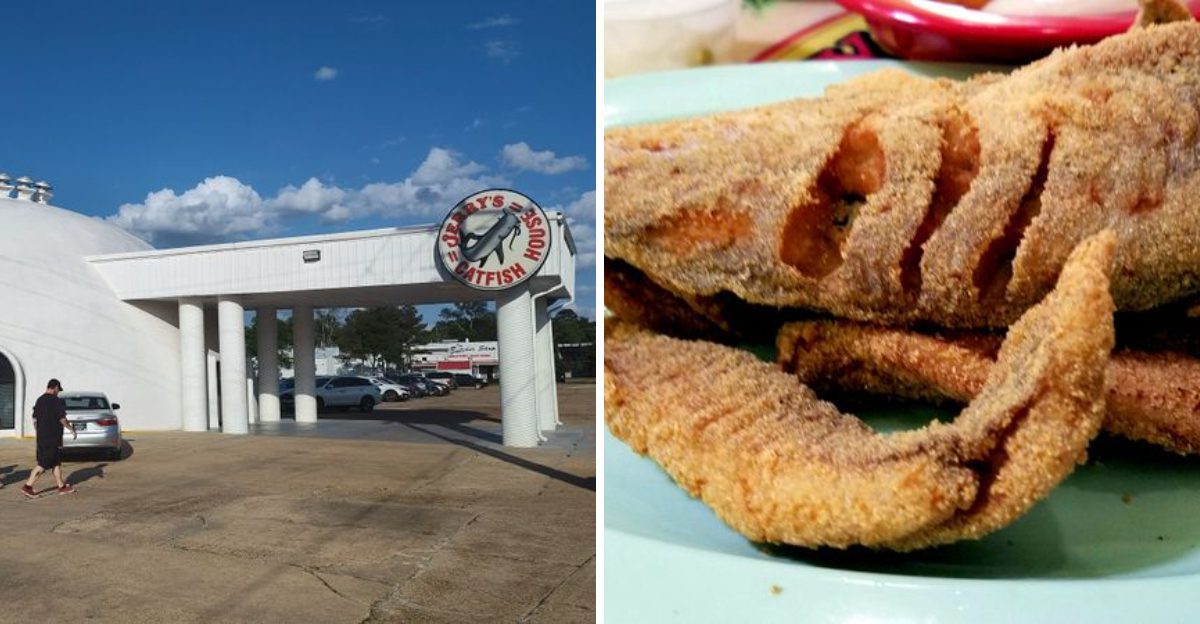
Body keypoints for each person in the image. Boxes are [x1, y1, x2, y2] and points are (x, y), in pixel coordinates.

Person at [21, 379, 76, 497]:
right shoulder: (55, 401)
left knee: (56, 462)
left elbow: (35, 420)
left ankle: (61, 487)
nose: (58, 392)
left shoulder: (39, 400)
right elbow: (62, 418)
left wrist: (39, 431)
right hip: (52, 438)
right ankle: (28, 486)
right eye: (58, 390)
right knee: (43, 464)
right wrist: (71, 429)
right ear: (55, 387)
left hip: (42, 437)